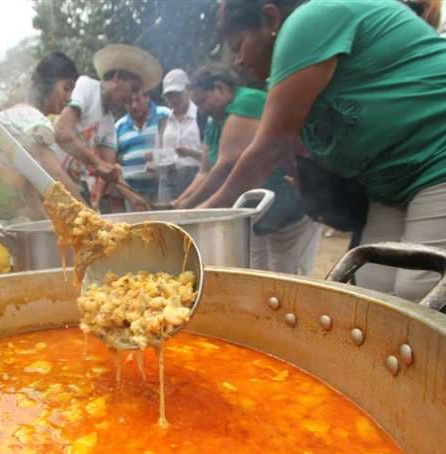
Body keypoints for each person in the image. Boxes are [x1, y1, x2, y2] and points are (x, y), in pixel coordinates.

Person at [202, 0, 446, 304]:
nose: (237, 61)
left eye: (239, 45)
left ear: (270, 17)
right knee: (372, 288)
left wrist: (203, 217)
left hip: (438, 155)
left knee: (421, 288)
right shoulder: (286, 73)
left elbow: (272, 145)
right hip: (389, 184)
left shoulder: (309, 21)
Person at [174, 65, 320, 275]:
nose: (201, 109)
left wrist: (197, 213)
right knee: (254, 266)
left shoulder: (245, 102)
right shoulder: (216, 121)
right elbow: (205, 171)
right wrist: (181, 205)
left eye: (203, 101)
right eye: (197, 104)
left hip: (291, 197)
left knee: (287, 269)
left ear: (220, 88)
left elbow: (225, 166)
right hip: (256, 207)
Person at [0, 52, 85, 222]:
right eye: (66, 88)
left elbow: (28, 190)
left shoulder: (18, 115)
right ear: (47, 84)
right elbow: (56, 176)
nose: (69, 98)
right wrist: (91, 218)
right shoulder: (32, 119)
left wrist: (48, 225)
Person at [54, 44, 163, 212]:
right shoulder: (87, 87)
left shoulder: (109, 122)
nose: (132, 97)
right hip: (50, 178)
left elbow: (109, 170)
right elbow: (61, 132)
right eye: (133, 88)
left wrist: (133, 198)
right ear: (117, 78)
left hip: (71, 188)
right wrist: (96, 163)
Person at [114, 91, 171, 205]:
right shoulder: (119, 126)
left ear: (147, 97)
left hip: (163, 188)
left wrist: (157, 157)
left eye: (137, 100)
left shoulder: (165, 115)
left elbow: (176, 148)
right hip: (132, 192)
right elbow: (113, 162)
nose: (134, 106)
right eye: (129, 102)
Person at [156, 69, 203, 203]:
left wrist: (190, 153)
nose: (174, 99)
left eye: (177, 94)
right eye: (170, 95)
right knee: (165, 220)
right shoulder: (164, 121)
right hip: (167, 179)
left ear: (188, 90)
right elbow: (159, 152)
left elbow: (211, 157)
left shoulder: (201, 116)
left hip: (194, 177)